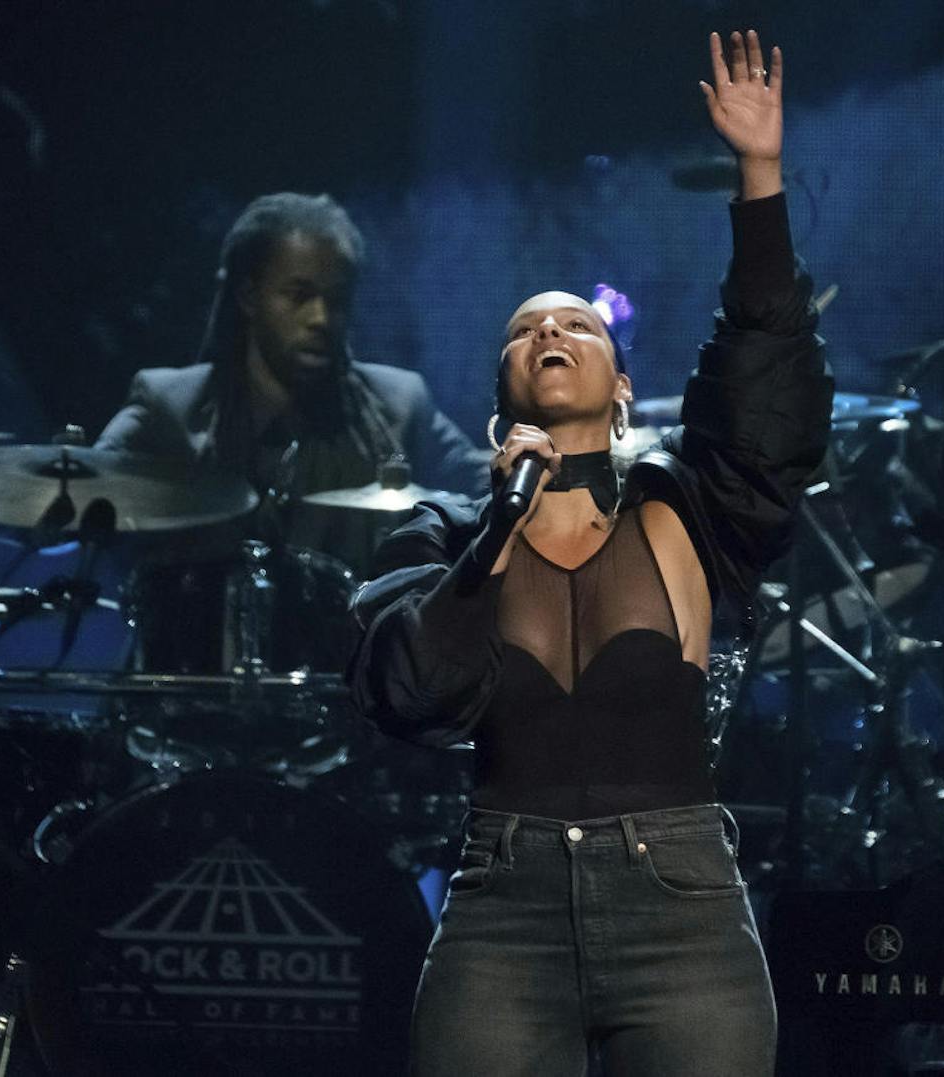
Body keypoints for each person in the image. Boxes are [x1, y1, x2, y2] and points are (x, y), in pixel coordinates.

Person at [349, 29, 831, 1076]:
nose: (552, 334)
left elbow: (768, 385)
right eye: (527, 331)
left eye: (578, 325)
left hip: (681, 910)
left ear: (620, 388)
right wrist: (493, 530)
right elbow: (407, 691)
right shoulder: (439, 535)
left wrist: (757, 179)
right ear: (497, 396)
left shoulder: (688, 510)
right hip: (499, 914)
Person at [95, 191, 488, 569]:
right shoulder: (168, 404)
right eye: (299, 295)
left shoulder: (400, 404)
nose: (320, 318)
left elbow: (486, 487)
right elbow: (74, 489)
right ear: (249, 296)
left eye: (336, 300)